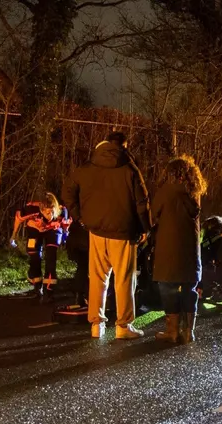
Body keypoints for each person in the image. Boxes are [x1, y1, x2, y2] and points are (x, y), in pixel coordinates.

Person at [63, 131, 151, 340]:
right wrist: (146, 228)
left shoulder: (86, 167)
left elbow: (67, 192)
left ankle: (96, 325)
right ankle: (123, 326)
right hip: (123, 232)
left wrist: (80, 217)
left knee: (98, 279)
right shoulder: (130, 169)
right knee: (124, 280)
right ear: (123, 145)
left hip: (96, 232)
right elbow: (142, 202)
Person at [151, 155, 207, 343]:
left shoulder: (165, 192)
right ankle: (189, 331)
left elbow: (153, 214)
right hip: (190, 249)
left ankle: (172, 330)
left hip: (168, 248)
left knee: (168, 288)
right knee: (189, 288)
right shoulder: (195, 193)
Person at [10, 193, 71, 302]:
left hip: (53, 230)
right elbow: (18, 219)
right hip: (35, 229)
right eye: (47, 212)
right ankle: (37, 286)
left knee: (51, 257)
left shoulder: (62, 212)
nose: (50, 215)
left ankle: (49, 290)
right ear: (41, 210)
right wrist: (13, 236)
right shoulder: (31, 209)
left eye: (52, 212)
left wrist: (66, 237)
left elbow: (66, 227)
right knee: (34, 254)